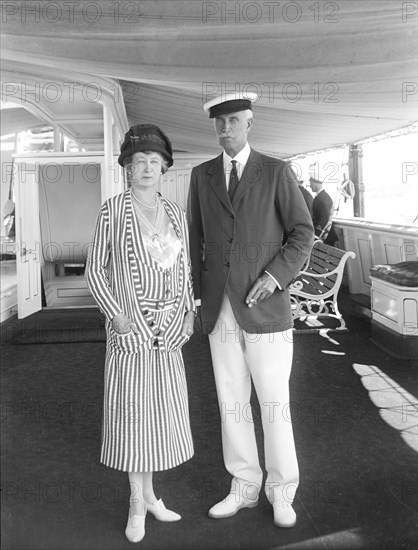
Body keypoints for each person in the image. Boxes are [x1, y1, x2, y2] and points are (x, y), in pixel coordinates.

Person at [187, 93, 314, 528]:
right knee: (231, 402)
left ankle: (282, 491)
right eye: (219, 123)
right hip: (220, 307)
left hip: (266, 307)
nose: (226, 129)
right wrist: (198, 297)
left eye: (234, 121)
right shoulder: (201, 175)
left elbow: (302, 234)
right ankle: (243, 485)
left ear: (249, 122)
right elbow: (196, 241)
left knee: (274, 402)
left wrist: (276, 276)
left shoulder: (276, 171)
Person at [86, 124, 195, 544]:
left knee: (159, 415)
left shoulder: (175, 214)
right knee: (133, 415)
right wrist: (115, 314)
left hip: (168, 331)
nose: (147, 168)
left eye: (154, 161)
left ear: (164, 167)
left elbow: (184, 268)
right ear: (127, 169)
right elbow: (96, 269)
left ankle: (151, 496)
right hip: (130, 330)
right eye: (139, 162)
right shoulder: (112, 211)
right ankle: (136, 501)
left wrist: (188, 312)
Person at [309, 176, 334, 240]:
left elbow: (324, 218)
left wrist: (316, 235)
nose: (310, 186)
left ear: (316, 183)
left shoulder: (323, 198)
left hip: (323, 235)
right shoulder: (320, 196)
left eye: (311, 184)